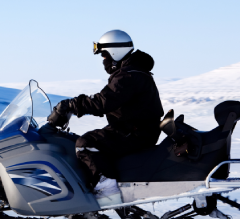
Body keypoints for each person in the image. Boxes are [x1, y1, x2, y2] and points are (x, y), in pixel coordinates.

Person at [47, 30, 164, 206]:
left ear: (115, 52)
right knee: (83, 140)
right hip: (135, 130)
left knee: (85, 143)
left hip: (135, 133)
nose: (104, 60)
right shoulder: (134, 71)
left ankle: (107, 191)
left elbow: (103, 102)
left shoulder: (129, 75)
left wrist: (71, 105)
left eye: (104, 55)